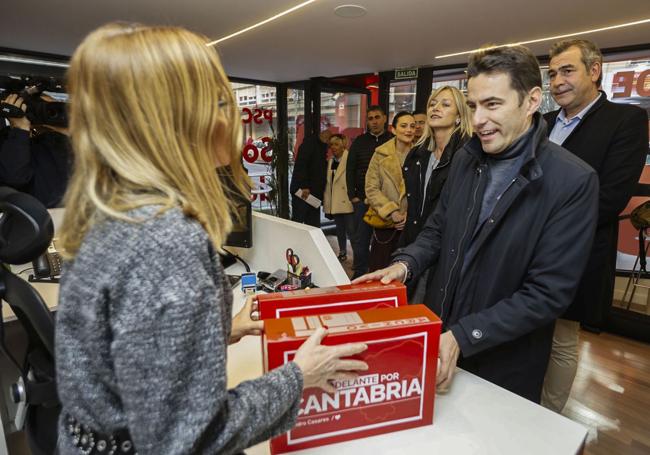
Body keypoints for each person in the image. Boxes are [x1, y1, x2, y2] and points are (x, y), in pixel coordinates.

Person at [55, 23, 367, 455]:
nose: (233, 116)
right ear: (177, 120)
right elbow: (188, 440)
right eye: (220, 101)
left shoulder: (112, 211)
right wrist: (299, 376)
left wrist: (218, 329)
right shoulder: (166, 243)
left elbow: (128, 354)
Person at [354, 45, 599, 403]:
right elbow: (438, 229)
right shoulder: (467, 159)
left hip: (502, 360)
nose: (479, 119)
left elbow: (547, 294)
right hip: (442, 335)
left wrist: (465, 335)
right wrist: (406, 264)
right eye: (473, 106)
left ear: (531, 101)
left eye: (493, 105)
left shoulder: (573, 181)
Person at [541, 39, 648, 413]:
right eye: (552, 73)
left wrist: (538, 223)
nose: (557, 81)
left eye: (567, 71)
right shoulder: (542, 124)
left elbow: (609, 197)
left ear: (594, 70)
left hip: (576, 252)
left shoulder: (626, 120)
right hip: (525, 251)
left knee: (561, 339)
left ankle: (546, 421)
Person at [399, 87, 472, 301]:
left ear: (459, 116)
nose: (435, 108)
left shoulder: (467, 154)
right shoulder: (417, 154)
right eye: (432, 104)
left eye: (445, 104)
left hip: (447, 248)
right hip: (415, 241)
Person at [0, 93, 72, 208]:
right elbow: (14, 177)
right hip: (45, 217)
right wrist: (19, 128)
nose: (50, 113)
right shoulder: (20, 142)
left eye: (56, 108)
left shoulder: (94, 142)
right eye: (42, 108)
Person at [346, 106, 393, 278]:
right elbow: (350, 169)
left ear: (385, 118)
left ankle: (382, 274)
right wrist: (353, 196)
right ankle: (359, 273)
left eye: (377, 117)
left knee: (385, 241)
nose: (374, 121)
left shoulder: (393, 141)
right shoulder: (359, 142)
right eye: (370, 118)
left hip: (387, 202)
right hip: (363, 202)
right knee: (360, 241)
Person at [365, 111, 415, 272]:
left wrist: (409, 213)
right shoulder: (380, 154)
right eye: (403, 125)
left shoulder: (421, 154)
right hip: (385, 223)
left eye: (412, 126)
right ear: (393, 129)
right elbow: (371, 188)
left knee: (404, 270)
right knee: (379, 269)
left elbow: (422, 191)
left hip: (409, 224)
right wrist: (391, 211)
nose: (409, 130)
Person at [290, 129, 331, 227]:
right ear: (326, 138)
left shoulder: (321, 147)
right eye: (330, 142)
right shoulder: (310, 145)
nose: (331, 146)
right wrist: (304, 185)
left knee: (312, 224)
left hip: (314, 194)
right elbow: (301, 165)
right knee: (299, 223)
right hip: (304, 192)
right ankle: (295, 242)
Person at [324, 133, 354, 261]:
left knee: (352, 232)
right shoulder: (331, 161)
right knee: (340, 229)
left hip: (347, 201)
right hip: (335, 201)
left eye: (336, 144)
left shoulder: (350, 158)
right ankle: (342, 252)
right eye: (331, 145)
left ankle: (358, 257)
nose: (333, 147)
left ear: (343, 146)